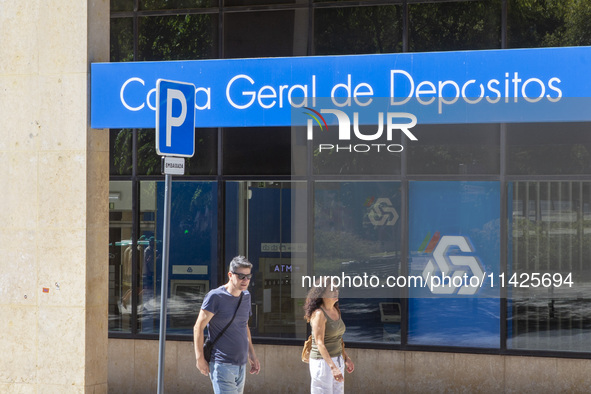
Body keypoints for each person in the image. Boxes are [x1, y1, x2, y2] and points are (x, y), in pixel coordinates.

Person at [194, 256, 261, 393]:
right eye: (241, 276)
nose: (245, 280)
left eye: (248, 276)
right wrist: (199, 358)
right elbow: (198, 327)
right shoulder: (215, 297)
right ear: (230, 275)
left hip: (241, 364)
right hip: (222, 364)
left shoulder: (246, 296)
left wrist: (252, 354)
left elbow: (244, 325)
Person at [304, 284, 354, 393]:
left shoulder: (335, 310)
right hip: (323, 362)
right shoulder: (319, 314)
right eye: (332, 290)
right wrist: (333, 367)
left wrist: (346, 358)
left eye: (337, 289)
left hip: (338, 359)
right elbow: (319, 342)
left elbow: (337, 338)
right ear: (322, 295)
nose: (336, 291)